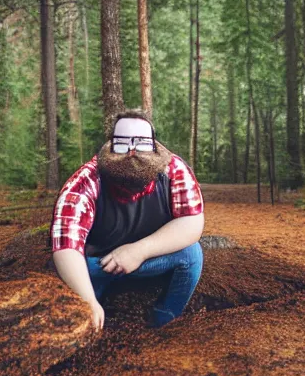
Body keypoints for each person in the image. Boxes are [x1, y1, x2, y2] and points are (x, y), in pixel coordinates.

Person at [50, 109, 204, 331]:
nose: (132, 151)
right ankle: (93, 313)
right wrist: (88, 301)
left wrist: (138, 251)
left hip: (151, 259)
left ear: (153, 145)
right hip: (98, 265)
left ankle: (166, 320)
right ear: (111, 145)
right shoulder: (85, 181)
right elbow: (65, 244)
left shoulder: (174, 170)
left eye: (141, 143)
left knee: (191, 254)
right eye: (123, 143)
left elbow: (192, 222)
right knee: (76, 285)